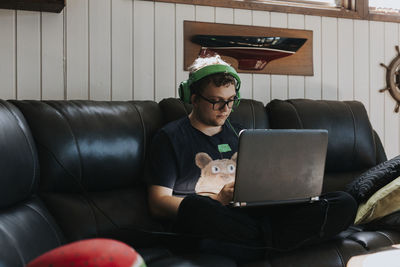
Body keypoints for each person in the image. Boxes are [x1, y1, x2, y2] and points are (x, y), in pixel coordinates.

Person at [146, 55, 357, 261]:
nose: (225, 109)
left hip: (251, 219)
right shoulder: (170, 138)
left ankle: (259, 245)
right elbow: (158, 203)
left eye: (231, 101)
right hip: (211, 222)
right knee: (195, 207)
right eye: (216, 101)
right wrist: (218, 200)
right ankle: (279, 242)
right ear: (193, 98)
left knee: (343, 202)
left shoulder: (242, 134)